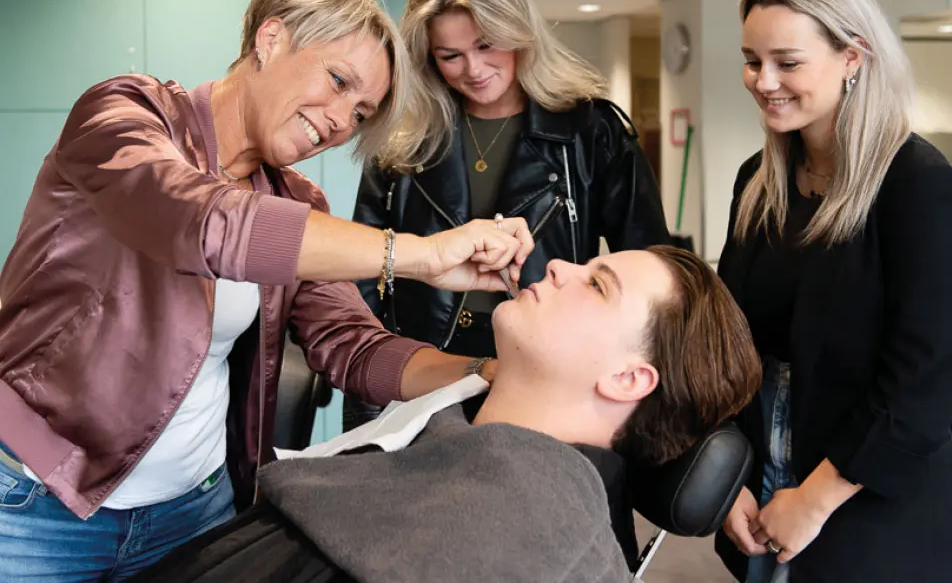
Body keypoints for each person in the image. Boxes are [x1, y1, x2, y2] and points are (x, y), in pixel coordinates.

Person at [0, 0, 535, 581]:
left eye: (360, 113)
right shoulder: (126, 113)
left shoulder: (298, 201)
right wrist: (418, 254)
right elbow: (204, 223)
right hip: (35, 501)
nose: (341, 121)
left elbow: (353, 345)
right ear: (271, 38)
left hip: (192, 510)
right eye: (339, 82)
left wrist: (484, 375)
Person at [131, 245, 762, 583]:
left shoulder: (531, 541)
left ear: (628, 379)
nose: (559, 265)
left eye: (597, 284)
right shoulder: (471, 440)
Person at [345, 0, 668, 427]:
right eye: (450, 56)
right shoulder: (403, 140)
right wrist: (372, 374)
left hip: (551, 368)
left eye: (486, 45)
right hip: (423, 366)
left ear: (518, 32)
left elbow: (649, 269)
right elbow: (363, 267)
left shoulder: (592, 132)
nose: (473, 70)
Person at [715, 0, 952, 583]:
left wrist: (816, 498)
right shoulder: (757, 182)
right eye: (752, 60)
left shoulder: (916, 185)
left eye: (787, 62)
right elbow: (727, 341)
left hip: (865, 495)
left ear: (853, 57)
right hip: (759, 479)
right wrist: (725, 477)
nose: (764, 81)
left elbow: (925, 380)